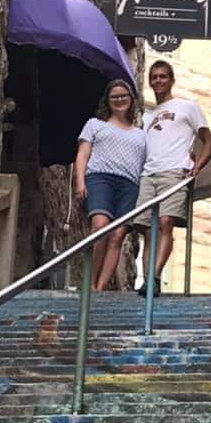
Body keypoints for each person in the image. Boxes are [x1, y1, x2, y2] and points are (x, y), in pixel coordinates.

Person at [135, 60, 211, 295]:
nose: (158, 80)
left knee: (165, 223)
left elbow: (209, 142)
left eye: (163, 76)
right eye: (154, 77)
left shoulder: (187, 106)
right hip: (148, 174)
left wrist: (196, 166)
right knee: (147, 230)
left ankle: (154, 276)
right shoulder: (148, 117)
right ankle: (148, 281)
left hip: (175, 172)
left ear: (171, 80)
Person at [74, 79, 147, 291]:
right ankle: (89, 283)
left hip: (129, 185)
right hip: (100, 178)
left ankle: (100, 287)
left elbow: (148, 164)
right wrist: (80, 182)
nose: (119, 100)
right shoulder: (95, 125)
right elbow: (82, 155)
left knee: (118, 236)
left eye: (124, 96)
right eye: (114, 96)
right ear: (108, 100)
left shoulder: (141, 134)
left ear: (131, 100)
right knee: (100, 227)